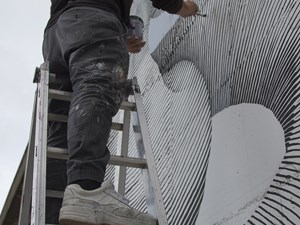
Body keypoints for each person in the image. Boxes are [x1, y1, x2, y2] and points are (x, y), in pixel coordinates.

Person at [42, 0, 198, 224]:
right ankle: (86, 190)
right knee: (96, 88)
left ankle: (52, 215)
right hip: (94, 15)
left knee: (63, 119)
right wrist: (183, 8)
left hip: (58, 32)